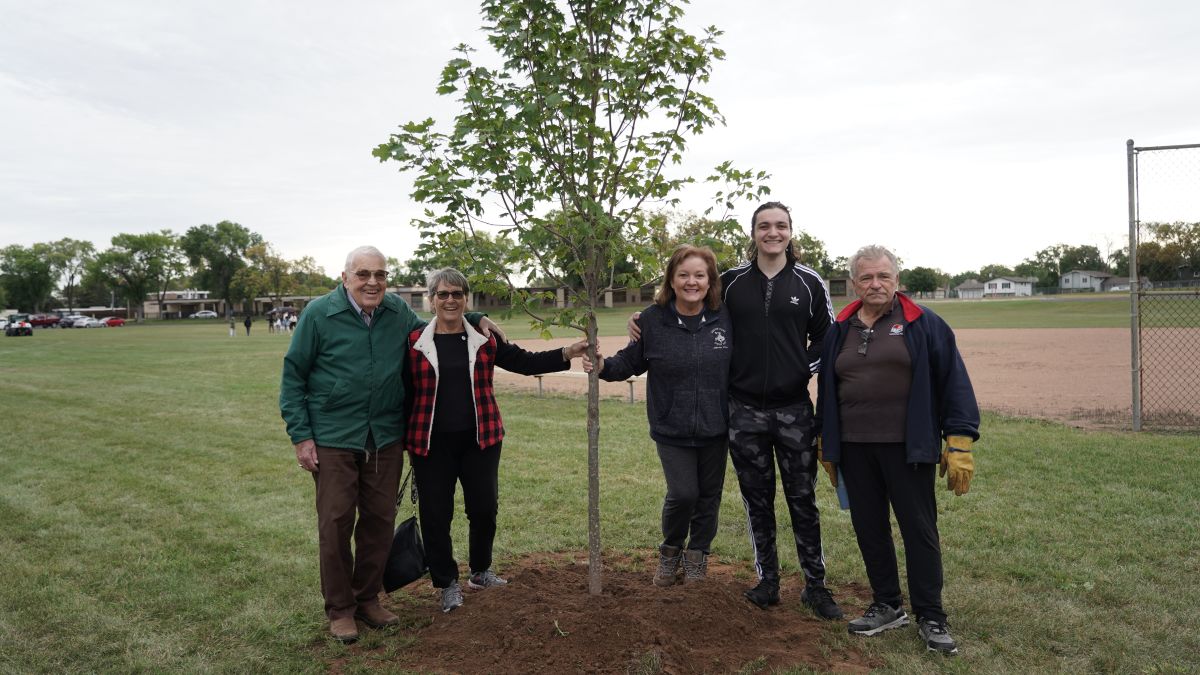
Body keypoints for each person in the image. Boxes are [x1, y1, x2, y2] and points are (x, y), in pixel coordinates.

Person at [628, 201, 842, 619]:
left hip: (794, 410)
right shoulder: (729, 283)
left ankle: (816, 586)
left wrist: (800, 367)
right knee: (756, 500)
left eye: (781, 226)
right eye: (765, 226)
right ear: (754, 233)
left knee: (802, 499)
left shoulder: (810, 283)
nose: (773, 233)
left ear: (790, 232)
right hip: (742, 412)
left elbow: (827, 340)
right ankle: (768, 581)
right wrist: (644, 319)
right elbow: (686, 308)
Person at [280, 246, 501, 643]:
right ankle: (341, 609)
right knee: (335, 523)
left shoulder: (395, 312)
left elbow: (436, 323)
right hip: (333, 436)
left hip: (384, 436)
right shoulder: (319, 314)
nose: (373, 282)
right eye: (364, 274)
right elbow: (294, 375)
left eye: (380, 274)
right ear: (346, 277)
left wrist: (472, 316)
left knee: (380, 523)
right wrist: (301, 436)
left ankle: (367, 599)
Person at [815, 244, 979, 655]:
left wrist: (958, 440)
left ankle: (932, 616)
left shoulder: (924, 324)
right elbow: (829, 391)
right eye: (866, 277)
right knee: (869, 529)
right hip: (855, 449)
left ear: (897, 281)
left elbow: (953, 382)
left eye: (883, 276)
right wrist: (826, 443)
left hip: (909, 449)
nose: (875, 284)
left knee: (918, 531)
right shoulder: (839, 329)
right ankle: (887, 604)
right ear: (854, 283)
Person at [404, 268, 587, 613]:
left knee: (484, 509)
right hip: (430, 444)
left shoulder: (483, 338)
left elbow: (523, 361)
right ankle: (446, 583)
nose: (450, 300)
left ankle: (480, 571)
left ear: (466, 299)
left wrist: (567, 352)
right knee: (436, 515)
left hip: (482, 439)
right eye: (442, 294)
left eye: (457, 294)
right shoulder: (414, 342)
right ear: (431, 300)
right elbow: (402, 391)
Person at [585, 245, 732, 586]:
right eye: (683, 275)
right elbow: (630, 362)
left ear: (710, 281)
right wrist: (604, 365)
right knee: (683, 494)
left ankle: (697, 557)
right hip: (672, 426)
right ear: (671, 280)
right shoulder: (652, 320)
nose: (691, 282)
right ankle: (669, 552)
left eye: (699, 275)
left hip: (716, 425)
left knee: (709, 497)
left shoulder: (725, 316)